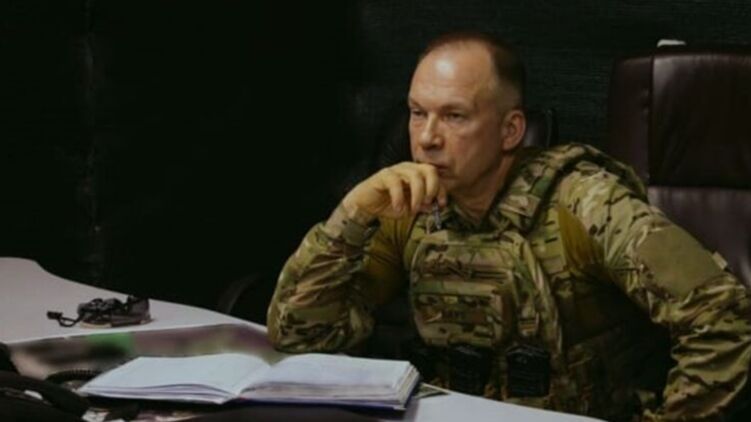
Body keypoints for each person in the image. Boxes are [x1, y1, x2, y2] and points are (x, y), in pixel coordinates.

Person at [266, 32, 751, 421]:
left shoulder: (585, 205)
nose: (427, 138)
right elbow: (301, 336)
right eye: (417, 113)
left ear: (510, 130)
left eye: (454, 116)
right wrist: (351, 215)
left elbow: (727, 324)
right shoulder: (408, 211)